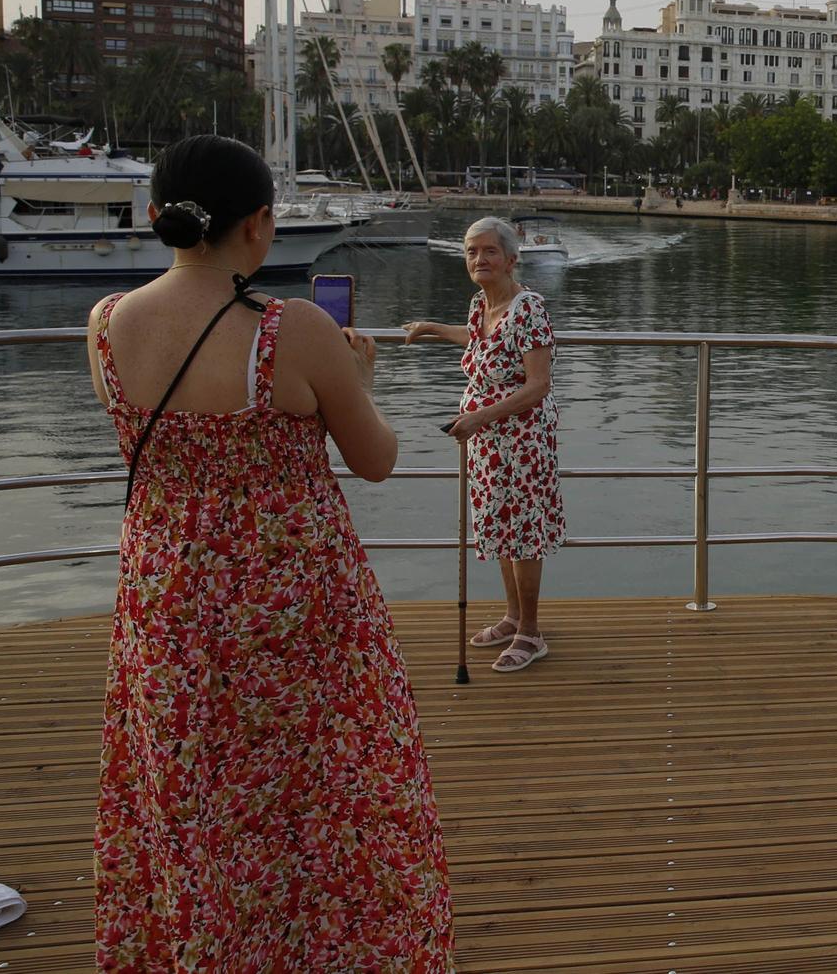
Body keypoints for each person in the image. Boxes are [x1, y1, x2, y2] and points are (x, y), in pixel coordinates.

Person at [84, 136, 451, 968]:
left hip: (167, 598)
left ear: (157, 219)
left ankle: (208, 946)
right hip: (292, 613)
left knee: (193, 794)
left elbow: (150, 451)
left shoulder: (105, 326)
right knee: (324, 795)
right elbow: (377, 459)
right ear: (260, 226)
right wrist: (361, 381)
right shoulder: (296, 331)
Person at [406, 217, 567, 673]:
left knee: (524, 536)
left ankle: (531, 633)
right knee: (499, 529)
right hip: (488, 444)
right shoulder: (482, 304)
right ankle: (512, 616)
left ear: (511, 259)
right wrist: (434, 327)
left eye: (489, 251)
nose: (479, 259)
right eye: (472, 252)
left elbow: (538, 384)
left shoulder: (528, 307)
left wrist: (479, 416)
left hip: (523, 442)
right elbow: (481, 342)